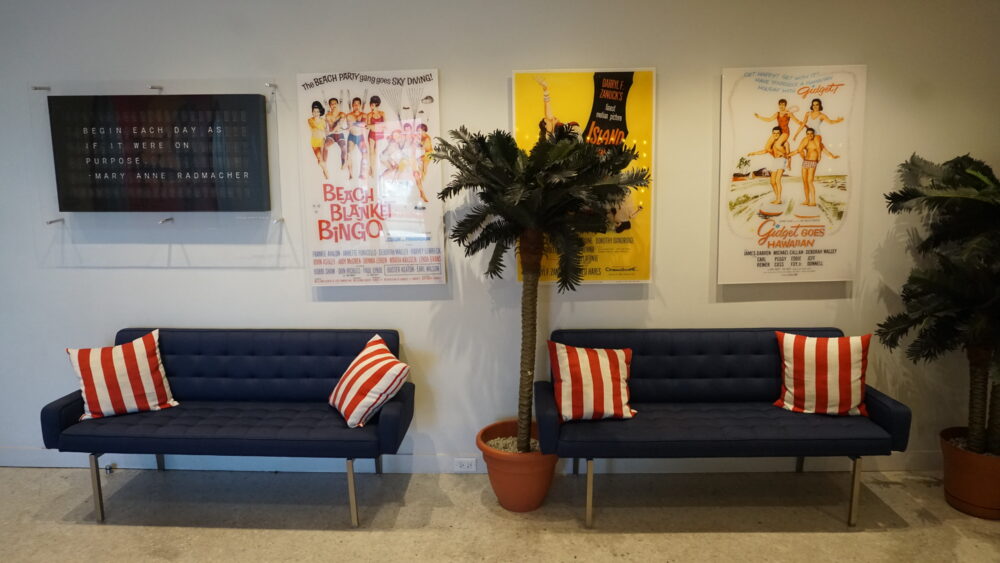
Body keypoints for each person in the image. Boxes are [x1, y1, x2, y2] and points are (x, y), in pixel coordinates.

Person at [788, 128, 839, 207]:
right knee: (805, 182)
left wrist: (833, 156)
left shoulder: (818, 143)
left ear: (814, 134)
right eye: (808, 134)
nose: (810, 135)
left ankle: (813, 201)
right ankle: (807, 200)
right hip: (805, 162)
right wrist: (787, 155)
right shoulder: (806, 142)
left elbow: (826, 151)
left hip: (813, 162)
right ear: (806, 134)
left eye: (811, 133)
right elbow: (797, 151)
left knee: (810, 181)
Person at [753, 99, 801, 170]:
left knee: (777, 145)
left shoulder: (788, 114)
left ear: (785, 105)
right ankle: (779, 156)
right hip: (778, 132)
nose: (781, 106)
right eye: (780, 104)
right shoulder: (777, 114)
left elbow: (797, 120)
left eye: (783, 105)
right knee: (767, 147)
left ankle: (786, 155)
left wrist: (803, 125)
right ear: (778, 105)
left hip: (785, 132)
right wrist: (759, 117)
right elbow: (769, 119)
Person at [747, 126, 788, 206]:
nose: (776, 135)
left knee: (777, 180)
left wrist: (784, 155)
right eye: (774, 133)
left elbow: (788, 154)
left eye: (778, 133)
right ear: (772, 134)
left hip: (781, 160)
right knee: (772, 182)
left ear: (780, 134)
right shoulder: (772, 143)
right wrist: (754, 153)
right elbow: (765, 151)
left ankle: (778, 199)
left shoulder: (785, 143)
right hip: (775, 161)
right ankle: (778, 198)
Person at [346, 97, 368, 180]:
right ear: (352, 105)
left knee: (364, 154)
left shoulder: (364, 115)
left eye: (358, 104)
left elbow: (363, 125)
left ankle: (362, 173)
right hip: (352, 136)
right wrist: (358, 122)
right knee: (349, 154)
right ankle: (350, 174)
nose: (356, 106)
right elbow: (349, 127)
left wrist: (355, 123)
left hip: (360, 137)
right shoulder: (348, 115)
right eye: (355, 104)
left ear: (360, 105)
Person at [323, 98, 348, 170]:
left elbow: (339, 125)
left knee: (344, 148)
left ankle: (343, 164)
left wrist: (331, 131)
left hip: (339, 134)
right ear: (330, 105)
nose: (333, 105)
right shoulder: (327, 115)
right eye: (332, 104)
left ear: (338, 104)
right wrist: (326, 133)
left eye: (335, 104)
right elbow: (325, 127)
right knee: (325, 146)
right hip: (331, 136)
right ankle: (324, 164)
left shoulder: (342, 114)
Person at [307, 101, 328, 178]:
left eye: (317, 112)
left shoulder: (323, 121)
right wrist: (323, 128)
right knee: (320, 159)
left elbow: (326, 131)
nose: (316, 113)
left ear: (320, 112)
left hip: (322, 141)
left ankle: (326, 173)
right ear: (312, 112)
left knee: (322, 160)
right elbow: (315, 126)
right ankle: (326, 172)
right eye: (314, 111)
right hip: (314, 142)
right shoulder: (310, 120)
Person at [366, 95, 385, 178]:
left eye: (373, 104)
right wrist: (378, 126)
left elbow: (385, 125)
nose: (372, 106)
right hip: (372, 134)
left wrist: (374, 126)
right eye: (371, 104)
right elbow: (367, 126)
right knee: (371, 152)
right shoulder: (369, 114)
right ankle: (372, 169)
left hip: (380, 134)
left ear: (377, 104)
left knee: (377, 152)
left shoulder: (382, 113)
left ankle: (375, 169)